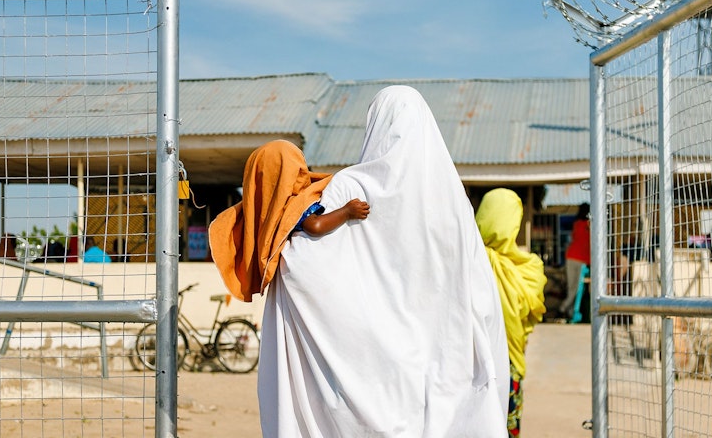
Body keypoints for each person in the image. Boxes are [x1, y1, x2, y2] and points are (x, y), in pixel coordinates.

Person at [215, 86, 509, 437]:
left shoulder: (348, 187)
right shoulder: (452, 199)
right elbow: (475, 282)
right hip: (441, 351)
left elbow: (302, 264)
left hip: (370, 366)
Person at [208, 139, 369, 303]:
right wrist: (346, 212)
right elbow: (315, 225)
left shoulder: (266, 210)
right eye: (298, 169)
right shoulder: (294, 204)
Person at [475, 188, 547, 437]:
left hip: (469, 364)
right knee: (506, 423)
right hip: (510, 364)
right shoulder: (530, 268)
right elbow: (529, 315)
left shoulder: (470, 260)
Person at [559, 202, 590, 321]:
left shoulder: (576, 224)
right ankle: (564, 308)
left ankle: (570, 311)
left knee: (572, 286)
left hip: (571, 257)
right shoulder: (589, 224)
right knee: (577, 288)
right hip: (581, 259)